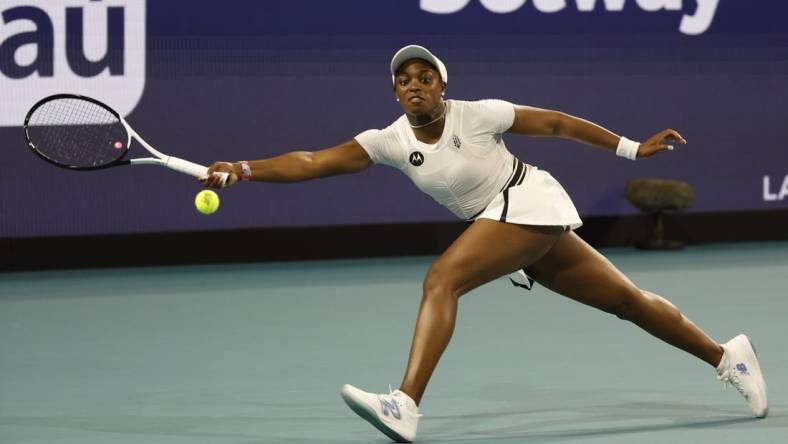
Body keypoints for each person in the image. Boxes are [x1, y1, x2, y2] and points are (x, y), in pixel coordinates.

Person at [200, 45, 768, 443]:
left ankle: (405, 403)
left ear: (443, 86)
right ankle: (727, 355)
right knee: (627, 302)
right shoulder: (390, 141)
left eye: (426, 77)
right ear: (395, 92)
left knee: (442, 280)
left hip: (527, 202)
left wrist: (631, 149)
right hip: (509, 221)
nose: (415, 85)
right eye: (405, 79)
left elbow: (556, 124)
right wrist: (244, 169)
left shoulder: (479, 115)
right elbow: (313, 161)